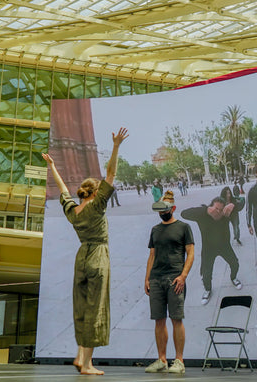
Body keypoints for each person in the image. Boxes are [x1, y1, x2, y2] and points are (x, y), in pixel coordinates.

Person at [42, 127, 128, 376]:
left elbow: (63, 191)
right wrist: (116, 146)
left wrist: (53, 167)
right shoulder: (97, 207)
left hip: (81, 258)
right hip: (98, 256)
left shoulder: (73, 212)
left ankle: (80, 355)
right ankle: (88, 364)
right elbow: (111, 173)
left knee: (81, 307)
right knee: (95, 309)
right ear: (96, 192)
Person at [144, 190, 194, 374]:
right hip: (156, 279)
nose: (162, 212)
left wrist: (183, 276)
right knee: (158, 320)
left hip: (175, 279)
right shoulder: (155, 230)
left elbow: (191, 253)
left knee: (176, 319)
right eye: (160, 209)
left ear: (173, 208)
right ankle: (162, 360)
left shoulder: (183, 227)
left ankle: (179, 361)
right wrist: (147, 278)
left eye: (165, 209)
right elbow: (152, 255)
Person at [182, 196, 242, 305]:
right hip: (208, 248)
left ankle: (233, 278)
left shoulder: (225, 214)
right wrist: (205, 210)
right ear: (211, 207)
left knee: (235, 264)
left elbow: (242, 203)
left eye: (221, 210)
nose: (218, 212)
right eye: (216, 209)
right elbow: (184, 213)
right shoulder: (203, 215)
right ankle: (208, 289)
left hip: (224, 246)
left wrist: (233, 204)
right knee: (206, 272)